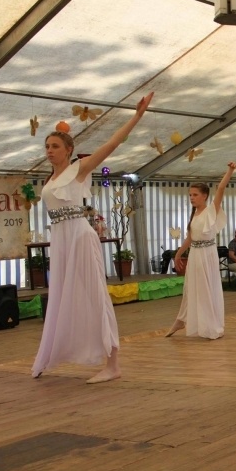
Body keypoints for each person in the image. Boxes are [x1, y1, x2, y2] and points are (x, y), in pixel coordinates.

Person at [31, 92, 154, 383]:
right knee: (60, 296)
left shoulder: (78, 169)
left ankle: (113, 364)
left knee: (95, 296)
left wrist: (136, 116)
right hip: (60, 238)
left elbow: (111, 144)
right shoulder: (50, 179)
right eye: (47, 146)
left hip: (79, 236)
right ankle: (49, 355)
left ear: (68, 149)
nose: (49, 150)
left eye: (55, 146)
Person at [165, 163, 236, 339]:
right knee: (191, 289)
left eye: (195, 195)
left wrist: (229, 171)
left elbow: (220, 188)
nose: (192, 197)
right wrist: (178, 253)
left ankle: (210, 325)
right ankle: (182, 319)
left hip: (208, 254)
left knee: (207, 289)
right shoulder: (194, 215)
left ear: (205, 196)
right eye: (190, 195)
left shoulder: (211, 211)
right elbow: (190, 238)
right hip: (196, 254)